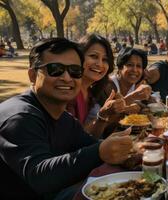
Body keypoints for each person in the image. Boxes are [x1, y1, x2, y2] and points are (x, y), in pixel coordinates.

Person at [0, 38, 133, 199]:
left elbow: (90, 143)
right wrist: (99, 152)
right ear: (33, 75)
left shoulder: (62, 117)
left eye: (75, 71)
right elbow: (40, 177)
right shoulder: (20, 117)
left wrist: (131, 150)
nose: (67, 78)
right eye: (55, 69)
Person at [66, 34, 124, 138]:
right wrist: (102, 115)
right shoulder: (68, 91)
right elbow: (72, 139)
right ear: (78, 57)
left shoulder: (91, 92)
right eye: (94, 56)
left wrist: (112, 114)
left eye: (105, 59)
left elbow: (92, 136)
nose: (99, 64)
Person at [100, 47, 151, 115]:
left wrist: (143, 106)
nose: (134, 70)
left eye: (138, 66)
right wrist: (133, 97)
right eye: (130, 65)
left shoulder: (136, 84)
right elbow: (111, 113)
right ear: (120, 67)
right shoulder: (109, 85)